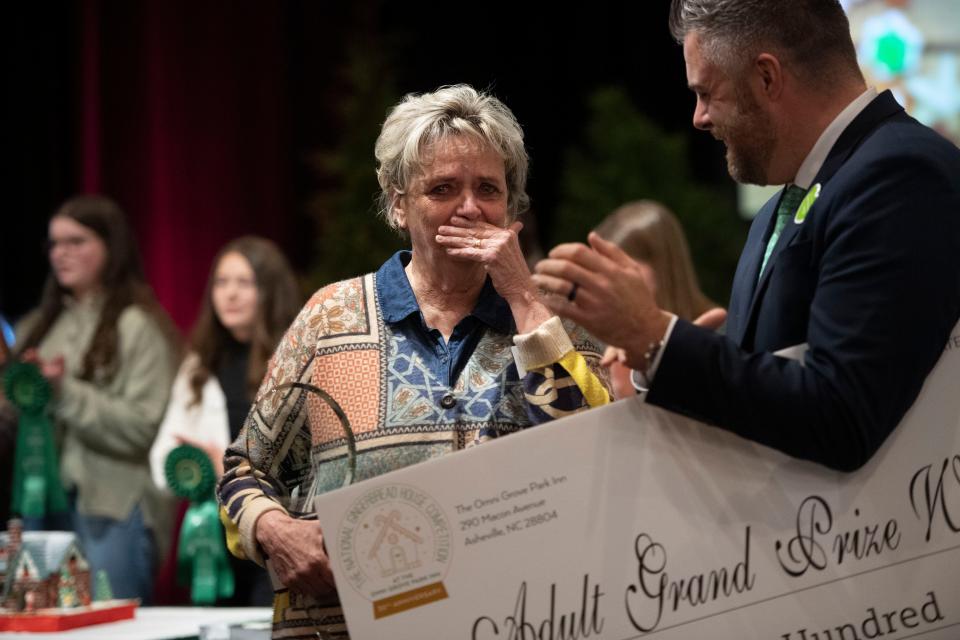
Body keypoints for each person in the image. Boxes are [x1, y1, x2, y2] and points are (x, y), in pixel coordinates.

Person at [218, 84, 610, 638]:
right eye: (443, 188)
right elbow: (244, 470)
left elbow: (597, 462)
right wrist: (273, 529)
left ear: (512, 208)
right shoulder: (328, 317)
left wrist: (524, 298)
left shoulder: (554, 323)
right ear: (399, 205)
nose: (470, 207)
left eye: (489, 190)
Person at [534, 0, 960, 471]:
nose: (698, 117)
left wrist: (657, 336)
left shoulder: (901, 173)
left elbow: (842, 415)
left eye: (706, 92)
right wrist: (679, 358)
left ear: (766, 78)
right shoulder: (777, 210)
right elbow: (766, 402)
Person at [15, 194, 179, 601]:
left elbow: (144, 427)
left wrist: (64, 392)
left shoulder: (138, 326)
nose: (61, 254)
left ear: (111, 247)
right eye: (54, 243)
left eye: (76, 241)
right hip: (42, 505)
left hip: (116, 508)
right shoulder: (37, 326)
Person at [149, 235, 301, 605]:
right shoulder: (198, 366)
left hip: (279, 535)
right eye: (221, 282)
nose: (229, 294)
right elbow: (162, 461)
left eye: (243, 283)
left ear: (270, 291)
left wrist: (229, 466)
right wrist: (196, 465)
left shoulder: (296, 357)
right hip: (215, 543)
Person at [593, 201, 725, 399]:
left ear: (663, 267)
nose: (606, 284)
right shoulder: (604, 344)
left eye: (620, 269)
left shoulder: (719, 333)